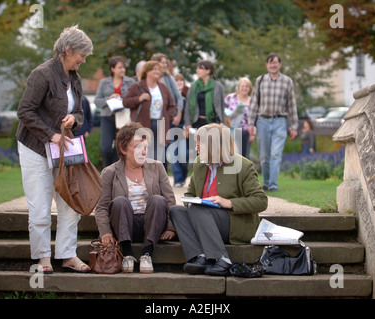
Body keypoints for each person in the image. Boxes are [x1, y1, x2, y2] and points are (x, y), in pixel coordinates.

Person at [16, 25, 93, 274]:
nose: (84, 59)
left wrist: (74, 119)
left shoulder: (76, 79)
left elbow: (79, 112)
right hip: (35, 148)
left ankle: (68, 255)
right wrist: (51, 135)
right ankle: (42, 258)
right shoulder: (42, 74)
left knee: (70, 203)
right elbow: (24, 111)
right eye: (82, 54)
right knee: (40, 207)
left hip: (64, 150)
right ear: (68, 50)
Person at [169, 123, 268, 276]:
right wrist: (192, 200)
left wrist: (229, 203)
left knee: (198, 209)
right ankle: (199, 256)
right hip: (204, 220)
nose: (196, 148)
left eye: (199, 144)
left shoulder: (243, 165)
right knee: (176, 210)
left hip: (234, 224)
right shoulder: (199, 165)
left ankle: (222, 259)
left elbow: (261, 201)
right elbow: (189, 195)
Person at [95, 122, 176, 274]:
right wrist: (105, 232)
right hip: (124, 226)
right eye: (137, 147)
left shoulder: (157, 167)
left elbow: (170, 201)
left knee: (158, 200)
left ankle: (147, 253)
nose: (143, 152)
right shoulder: (109, 172)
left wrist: (171, 227)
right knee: (119, 202)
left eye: (145, 147)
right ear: (123, 149)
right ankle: (127, 254)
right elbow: (101, 207)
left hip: (151, 225)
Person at [248, 53, 298, 192]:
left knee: (276, 154)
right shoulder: (260, 80)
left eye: (275, 63)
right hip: (262, 121)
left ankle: (273, 184)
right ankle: (266, 182)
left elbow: (292, 104)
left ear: (280, 64)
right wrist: (251, 123)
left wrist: (294, 126)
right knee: (264, 156)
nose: (273, 65)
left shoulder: (287, 81)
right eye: (270, 63)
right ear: (267, 65)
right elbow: (253, 103)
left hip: (280, 121)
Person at [123, 61, 175, 169]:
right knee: (144, 153)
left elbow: (172, 105)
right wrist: (139, 98)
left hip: (160, 124)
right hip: (143, 125)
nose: (157, 71)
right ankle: (144, 179)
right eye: (154, 69)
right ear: (146, 72)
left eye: (158, 69)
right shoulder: (136, 86)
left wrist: (167, 117)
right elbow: (126, 102)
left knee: (159, 155)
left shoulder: (163, 88)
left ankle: (157, 180)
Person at [95, 56, 136, 168]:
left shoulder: (131, 82)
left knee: (122, 148)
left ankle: (118, 171)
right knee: (105, 148)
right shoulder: (104, 82)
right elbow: (97, 101)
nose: (123, 70)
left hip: (124, 119)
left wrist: (124, 100)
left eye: (123, 67)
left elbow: (135, 99)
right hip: (107, 118)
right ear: (112, 69)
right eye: (120, 67)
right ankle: (107, 170)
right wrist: (109, 98)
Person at [184, 61, 226, 133]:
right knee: (196, 144)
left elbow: (221, 107)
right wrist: (187, 124)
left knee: (212, 144)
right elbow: (187, 106)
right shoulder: (194, 86)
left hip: (213, 123)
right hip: (196, 123)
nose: (197, 70)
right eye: (197, 68)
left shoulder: (218, 86)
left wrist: (224, 125)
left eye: (200, 68)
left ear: (208, 71)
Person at [224, 77, 254, 158]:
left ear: (250, 88)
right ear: (239, 87)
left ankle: (243, 171)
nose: (244, 88)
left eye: (247, 86)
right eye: (242, 86)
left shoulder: (252, 101)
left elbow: (255, 118)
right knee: (231, 156)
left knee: (244, 158)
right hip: (231, 130)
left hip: (246, 132)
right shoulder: (230, 98)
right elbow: (222, 111)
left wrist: (253, 133)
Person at [171, 73, 190, 187]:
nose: (179, 83)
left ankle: (183, 176)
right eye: (176, 81)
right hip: (173, 127)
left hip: (184, 127)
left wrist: (187, 126)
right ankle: (177, 180)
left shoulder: (188, 94)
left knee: (184, 154)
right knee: (174, 154)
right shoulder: (170, 94)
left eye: (181, 80)